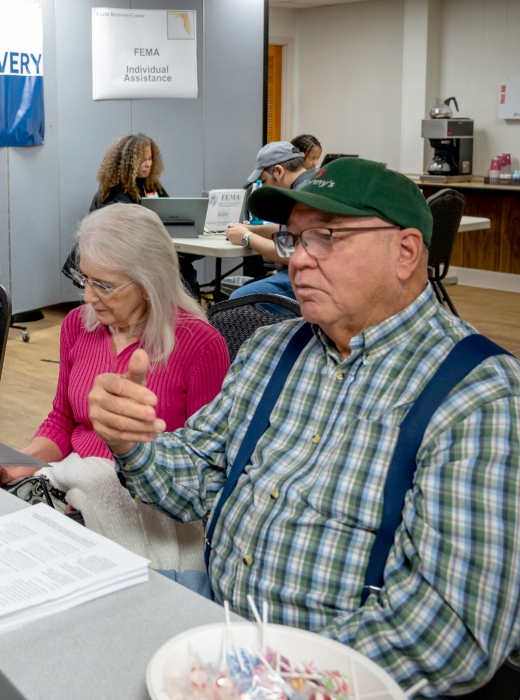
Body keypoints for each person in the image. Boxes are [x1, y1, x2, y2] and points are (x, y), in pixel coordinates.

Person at [88, 158, 520, 695]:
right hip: (215, 636)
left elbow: (449, 626)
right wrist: (133, 444)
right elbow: (195, 479)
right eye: (295, 240)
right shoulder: (274, 349)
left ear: (405, 252)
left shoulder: (480, 394)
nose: (298, 262)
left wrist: (268, 678)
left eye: (327, 238)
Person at [0, 205, 228, 590]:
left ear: (150, 280)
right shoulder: (78, 326)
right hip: (76, 485)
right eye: (85, 278)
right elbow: (62, 420)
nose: (88, 295)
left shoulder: (201, 345)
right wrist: (23, 462)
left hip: (151, 496)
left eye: (104, 285)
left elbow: (207, 465)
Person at [62, 133, 200, 291]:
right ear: (128, 163)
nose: (148, 164)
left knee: (184, 267)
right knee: (183, 270)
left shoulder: (151, 186)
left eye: (150, 159)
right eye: (142, 160)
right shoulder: (116, 194)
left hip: (145, 250)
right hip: (123, 255)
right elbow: (126, 237)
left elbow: (170, 214)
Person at [224, 141, 313, 301]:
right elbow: (287, 230)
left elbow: (289, 252)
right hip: (307, 272)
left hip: (304, 276)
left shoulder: (300, 200)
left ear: (278, 171)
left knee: (238, 300)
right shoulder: (310, 186)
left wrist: (247, 238)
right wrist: (249, 229)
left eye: (264, 181)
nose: (263, 187)